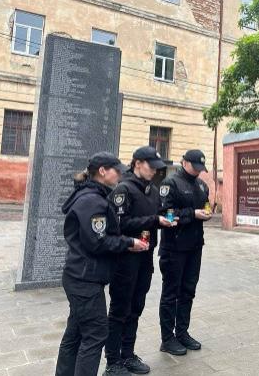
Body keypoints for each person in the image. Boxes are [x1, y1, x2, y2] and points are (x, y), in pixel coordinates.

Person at [55, 152, 149, 376]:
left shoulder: (92, 195)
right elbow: (98, 241)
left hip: (81, 276)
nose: (120, 175)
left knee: (76, 333)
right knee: (96, 333)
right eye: (116, 171)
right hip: (85, 279)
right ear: (102, 171)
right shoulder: (92, 200)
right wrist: (129, 242)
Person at [103, 147, 174, 375]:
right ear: (137, 163)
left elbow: (157, 215)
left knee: (136, 307)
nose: (154, 171)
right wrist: (154, 220)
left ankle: (128, 354)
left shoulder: (152, 190)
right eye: (151, 166)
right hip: (125, 258)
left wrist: (165, 219)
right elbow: (119, 224)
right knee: (119, 310)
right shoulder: (123, 189)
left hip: (145, 256)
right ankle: (112, 362)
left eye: (156, 168)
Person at [158, 149, 211, 356]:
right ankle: (167, 338)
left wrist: (206, 212)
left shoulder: (201, 185)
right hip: (174, 248)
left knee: (188, 291)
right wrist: (192, 214)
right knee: (171, 293)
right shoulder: (170, 183)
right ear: (184, 162)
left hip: (195, 247)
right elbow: (165, 214)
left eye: (200, 168)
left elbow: (205, 205)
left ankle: (182, 332)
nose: (198, 171)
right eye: (195, 167)